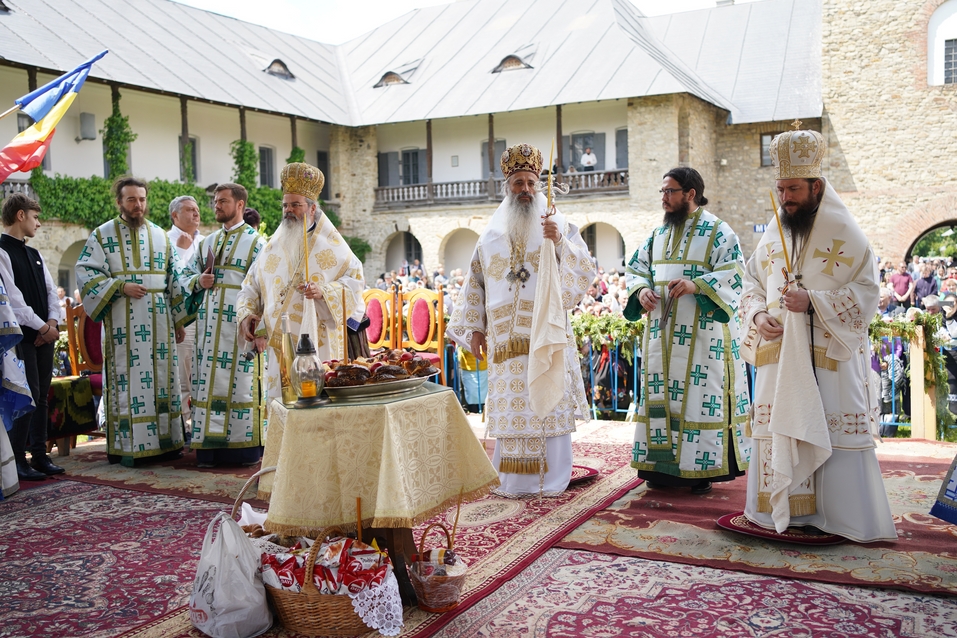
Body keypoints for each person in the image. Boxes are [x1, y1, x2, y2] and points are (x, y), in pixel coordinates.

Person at [739, 124, 897, 542]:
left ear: (816, 185)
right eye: (780, 188)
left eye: (793, 189)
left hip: (829, 358)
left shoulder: (847, 235)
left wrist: (814, 302)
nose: (785, 198)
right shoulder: (774, 231)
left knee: (833, 426)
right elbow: (751, 285)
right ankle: (779, 511)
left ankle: (840, 517)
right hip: (779, 353)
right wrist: (757, 317)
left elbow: (867, 291)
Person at [447, 143, 592, 497]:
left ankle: (553, 477)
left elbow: (584, 270)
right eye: (518, 183)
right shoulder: (491, 236)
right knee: (515, 408)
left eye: (530, 182)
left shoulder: (557, 223)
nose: (525, 189)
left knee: (545, 401)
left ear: (539, 185)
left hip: (545, 335)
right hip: (503, 342)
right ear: (507, 186)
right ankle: (513, 479)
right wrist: (476, 328)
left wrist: (560, 243)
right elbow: (476, 282)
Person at [623, 167, 751, 495]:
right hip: (662, 335)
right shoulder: (657, 234)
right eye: (662, 192)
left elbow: (735, 273)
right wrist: (641, 291)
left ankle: (700, 471)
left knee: (697, 398)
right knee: (661, 396)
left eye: (670, 191)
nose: (664, 198)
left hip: (702, 335)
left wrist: (697, 284)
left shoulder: (719, 232)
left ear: (690, 193)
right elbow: (636, 267)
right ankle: (662, 470)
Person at [75, 177, 197, 467]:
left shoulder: (160, 235)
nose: (137, 205)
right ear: (119, 202)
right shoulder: (102, 235)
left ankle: (166, 444)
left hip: (159, 322)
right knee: (130, 382)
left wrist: (179, 320)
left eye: (141, 199)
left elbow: (174, 279)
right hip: (123, 324)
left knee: (162, 382)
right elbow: (86, 272)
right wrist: (120, 287)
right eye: (131, 199)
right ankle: (129, 446)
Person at [238, 162, 365, 413]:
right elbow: (250, 287)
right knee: (281, 407)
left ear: (312, 207)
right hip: (279, 346)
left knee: (316, 410)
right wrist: (246, 315)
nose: (289, 210)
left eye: (296, 205)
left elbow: (355, 283)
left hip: (317, 343)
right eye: (285, 205)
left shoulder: (333, 247)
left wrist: (323, 292)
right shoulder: (272, 246)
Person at [186, 184, 266, 468]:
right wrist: (198, 281)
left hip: (238, 328)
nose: (216, 206)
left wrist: (260, 328)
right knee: (207, 385)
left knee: (240, 385)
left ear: (240, 204)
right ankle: (209, 452)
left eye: (223, 201)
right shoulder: (206, 242)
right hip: (208, 331)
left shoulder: (257, 243)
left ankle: (243, 451)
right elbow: (187, 276)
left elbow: (265, 288)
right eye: (215, 201)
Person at [0, 194, 63, 481]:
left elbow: (51, 292)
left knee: (41, 396)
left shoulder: (35, 254)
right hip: (20, 338)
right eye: (35, 217)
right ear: (20, 215)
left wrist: (51, 323)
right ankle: (19, 460)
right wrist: (42, 328)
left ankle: (40, 455)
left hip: (42, 335)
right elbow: (13, 300)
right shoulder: (2, 251)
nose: (38, 223)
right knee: (27, 397)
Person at [167, 195, 205, 433]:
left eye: (197, 209)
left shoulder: (205, 241)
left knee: (202, 372)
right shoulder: (164, 241)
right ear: (175, 216)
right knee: (182, 373)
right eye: (190, 210)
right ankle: (182, 426)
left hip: (205, 317)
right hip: (182, 319)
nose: (196, 213)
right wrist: (181, 252)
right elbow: (171, 280)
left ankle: (200, 423)